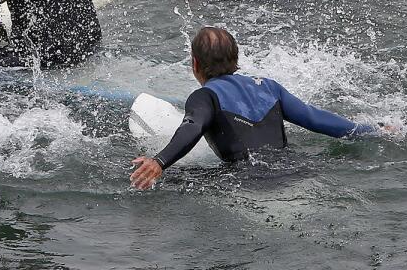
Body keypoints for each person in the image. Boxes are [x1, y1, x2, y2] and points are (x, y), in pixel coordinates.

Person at [129, 27, 375, 190]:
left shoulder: (204, 96)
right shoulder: (269, 87)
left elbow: (193, 126)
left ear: (195, 64)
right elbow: (316, 119)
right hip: (296, 170)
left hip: (248, 181)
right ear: (236, 57)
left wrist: (159, 161)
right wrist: (372, 130)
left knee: (168, 182)